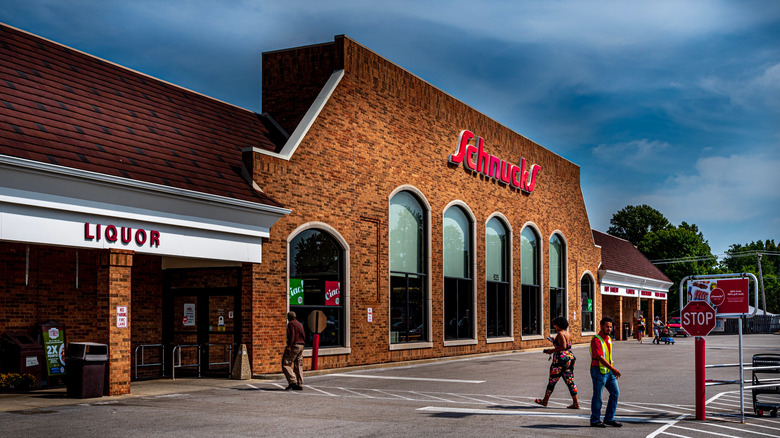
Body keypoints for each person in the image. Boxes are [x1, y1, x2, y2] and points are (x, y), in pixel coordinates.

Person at [534, 316, 579, 409]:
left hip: (560, 360)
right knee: (570, 381)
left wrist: (551, 350)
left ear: (558, 325)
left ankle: (545, 401)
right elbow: (565, 345)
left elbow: (563, 346)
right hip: (570, 358)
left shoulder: (560, 333)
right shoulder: (567, 333)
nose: (554, 326)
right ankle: (576, 403)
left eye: (555, 325)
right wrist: (554, 341)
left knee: (552, 381)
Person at [590, 315, 622, 428]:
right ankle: (595, 420)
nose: (609, 329)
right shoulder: (596, 339)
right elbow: (599, 357)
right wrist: (613, 369)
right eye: (607, 327)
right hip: (598, 370)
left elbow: (608, 356)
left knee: (615, 393)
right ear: (601, 326)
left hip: (608, 371)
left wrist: (612, 369)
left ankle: (609, 418)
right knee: (598, 396)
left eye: (610, 327)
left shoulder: (609, 339)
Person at [281, 311, 305, 391]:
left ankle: (292, 381)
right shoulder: (300, 324)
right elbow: (304, 335)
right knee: (298, 365)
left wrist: (289, 347)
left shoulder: (291, 324)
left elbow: (292, 336)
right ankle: (300, 384)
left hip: (294, 345)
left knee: (286, 363)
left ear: (289, 317)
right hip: (301, 345)